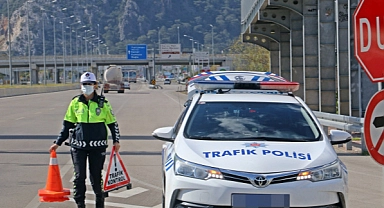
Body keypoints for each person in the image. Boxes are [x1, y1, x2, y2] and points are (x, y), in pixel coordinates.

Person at [49, 72, 121, 208]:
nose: (86, 86)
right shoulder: (75, 102)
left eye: (89, 84)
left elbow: (113, 124)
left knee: (95, 177)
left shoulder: (103, 103)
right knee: (79, 176)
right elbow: (67, 125)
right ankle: (80, 204)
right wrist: (57, 142)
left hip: (97, 146)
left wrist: (116, 141)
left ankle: (100, 203)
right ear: (80, 85)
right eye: (84, 84)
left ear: (95, 85)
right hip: (78, 146)